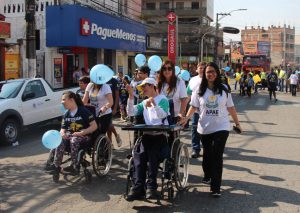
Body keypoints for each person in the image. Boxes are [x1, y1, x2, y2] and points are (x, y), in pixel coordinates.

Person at [179, 62, 242, 198]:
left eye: (213, 71)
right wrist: (186, 118)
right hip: (205, 128)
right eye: (208, 72)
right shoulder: (199, 90)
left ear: (217, 73)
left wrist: (237, 123)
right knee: (207, 155)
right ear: (204, 74)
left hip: (222, 127)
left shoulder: (224, 89)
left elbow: (231, 107)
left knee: (217, 156)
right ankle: (207, 174)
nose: (210, 74)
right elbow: (194, 107)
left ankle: (216, 187)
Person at [126, 77, 170, 201]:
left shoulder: (163, 100)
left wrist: (154, 104)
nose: (143, 89)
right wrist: (130, 97)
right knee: (138, 157)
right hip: (146, 136)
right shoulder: (144, 102)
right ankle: (138, 188)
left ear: (152, 86)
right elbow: (131, 112)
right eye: (142, 87)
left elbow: (162, 115)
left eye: (145, 87)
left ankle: (151, 187)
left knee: (152, 155)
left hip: (160, 137)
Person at [46, 91, 98, 174]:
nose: (61, 102)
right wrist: (62, 134)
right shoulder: (66, 114)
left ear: (71, 100)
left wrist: (82, 132)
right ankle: (56, 166)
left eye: (63, 99)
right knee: (59, 140)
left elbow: (94, 126)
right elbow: (63, 128)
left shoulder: (83, 111)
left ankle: (75, 166)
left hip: (84, 136)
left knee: (74, 140)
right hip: (70, 135)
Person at [157, 60, 188, 124]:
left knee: (172, 133)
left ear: (173, 70)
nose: (167, 71)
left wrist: (181, 114)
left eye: (169, 68)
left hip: (175, 116)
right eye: (164, 69)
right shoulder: (158, 82)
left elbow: (184, 99)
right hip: (161, 115)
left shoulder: (179, 81)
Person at [186, 62, 206, 158]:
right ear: (197, 70)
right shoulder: (192, 80)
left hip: (207, 110)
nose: (201, 69)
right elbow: (188, 94)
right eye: (200, 68)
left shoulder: (210, 79)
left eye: (203, 68)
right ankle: (195, 149)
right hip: (195, 109)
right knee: (195, 128)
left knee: (207, 129)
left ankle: (208, 148)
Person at [106, 75, 122, 147]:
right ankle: (110, 142)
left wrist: (115, 108)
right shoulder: (101, 80)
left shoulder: (114, 81)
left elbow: (117, 95)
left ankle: (114, 137)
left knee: (109, 125)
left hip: (111, 105)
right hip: (102, 105)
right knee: (107, 125)